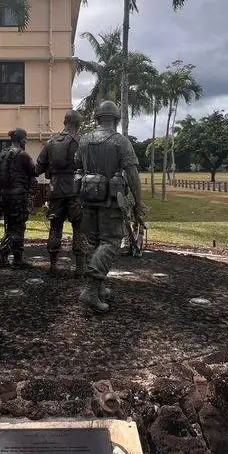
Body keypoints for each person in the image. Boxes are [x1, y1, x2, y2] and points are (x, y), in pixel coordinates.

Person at [75, 100, 144, 313]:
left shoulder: (84, 140)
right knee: (111, 242)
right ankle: (91, 290)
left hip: (88, 199)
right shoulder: (120, 141)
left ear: (97, 118)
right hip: (110, 202)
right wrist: (138, 201)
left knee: (94, 241)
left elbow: (77, 167)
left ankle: (100, 286)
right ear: (115, 118)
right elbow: (132, 173)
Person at [35, 109, 84, 276]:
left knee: (55, 228)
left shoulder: (51, 142)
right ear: (78, 124)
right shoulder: (80, 142)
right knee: (78, 228)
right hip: (75, 191)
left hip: (55, 190)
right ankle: (80, 267)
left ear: (64, 122)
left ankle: (53, 266)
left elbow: (38, 167)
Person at [0, 128, 37, 269]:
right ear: (22, 139)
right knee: (17, 228)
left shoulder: (1, 154)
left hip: (5, 196)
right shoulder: (22, 154)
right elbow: (34, 171)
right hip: (18, 197)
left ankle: (17, 258)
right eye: (25, 139)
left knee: (11, 226)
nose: (26, 141)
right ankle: (5, 253)